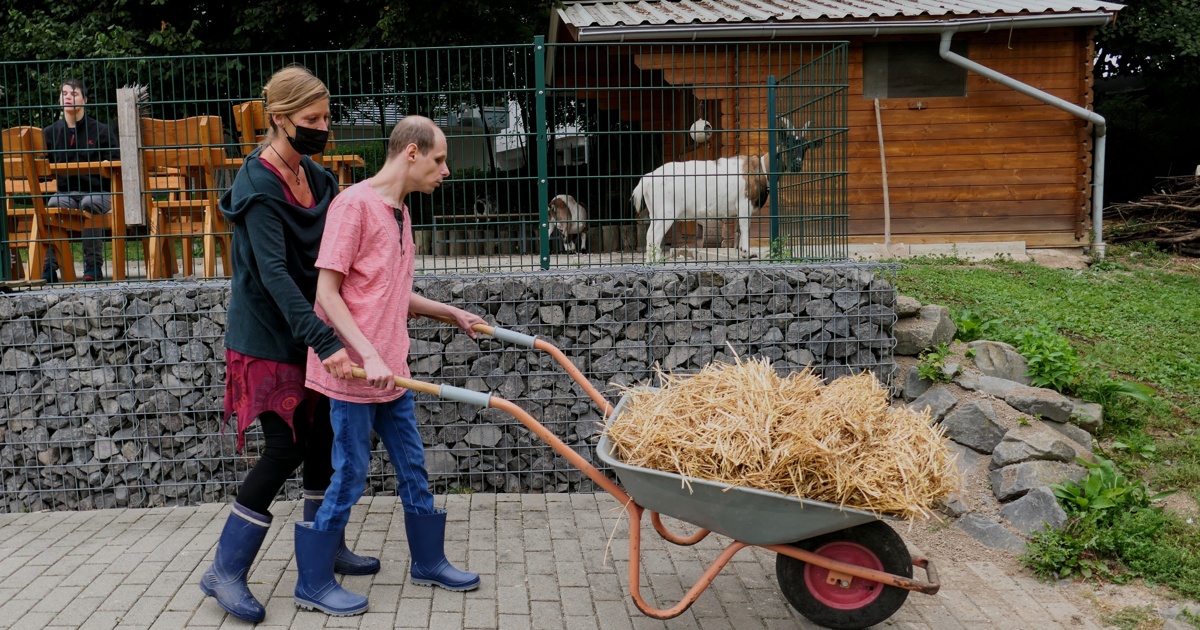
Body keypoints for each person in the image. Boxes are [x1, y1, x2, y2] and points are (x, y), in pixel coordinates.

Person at [198, 65, 378, 625]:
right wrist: (327, 341)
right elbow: (275, 277)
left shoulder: (319, 180)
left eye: (327, 117)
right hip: (267, 338)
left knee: (323, 436)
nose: (324, 127)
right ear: (279, 120)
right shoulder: (257, 186)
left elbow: (338, 254)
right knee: (284, 449)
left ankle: (325, 547)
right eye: (311, 119)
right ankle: (225, 570)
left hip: (309, 333)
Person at [299, 115, 485, 616]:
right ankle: (312, 580)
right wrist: (369, 354)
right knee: (351, 473)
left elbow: (390, 293)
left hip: (391, 374)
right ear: (411, 153)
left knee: (413, 468)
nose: (444, 170)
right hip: (354, 374)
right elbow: (327, 295)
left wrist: (449, 312)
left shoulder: (401, 214)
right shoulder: (352, 206)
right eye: (439, 159)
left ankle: (428, 561)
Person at [41, 79, 119, 283]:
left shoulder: (101, 130)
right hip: (65, 193)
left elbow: (117, 161)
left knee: (89, 203)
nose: (68, 97)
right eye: (64, 93)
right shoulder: (49, 133)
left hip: (97, 193)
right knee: (53, 204)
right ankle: (50, 266)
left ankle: (93, 265)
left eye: (74, 94)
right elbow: (42, 167)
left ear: (84, 99)